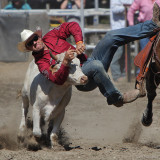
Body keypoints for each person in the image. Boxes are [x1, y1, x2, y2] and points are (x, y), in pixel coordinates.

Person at [17, 3, 160, 107]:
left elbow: (71, 25)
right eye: (31, 44)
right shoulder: (41, 62)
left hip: (88, 61)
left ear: (39, 37)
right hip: (81, 78)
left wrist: (79, 42)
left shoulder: (51, 36)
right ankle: (116, 98)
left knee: (110, 36)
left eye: (35, 39)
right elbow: (57, 79)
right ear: (29, 49)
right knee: (96, 65)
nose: (35, 43)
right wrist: (66, 62)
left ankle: (153, 25)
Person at [110, 0, 133, 82]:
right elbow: (114, 9)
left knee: (125, 54)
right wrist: (126, 8)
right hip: (117, 29)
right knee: (117, 53)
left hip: (127, 29)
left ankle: (124, 74)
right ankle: (116, 75)